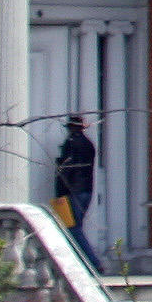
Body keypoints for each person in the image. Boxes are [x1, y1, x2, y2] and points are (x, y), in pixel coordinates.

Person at [52, 114, 101, 272]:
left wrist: (60, 193)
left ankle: (92, 263)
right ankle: (87, 262)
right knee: (75, 227)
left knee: (73, 228)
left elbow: (67, 171)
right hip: (86, 190)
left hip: (73, 191)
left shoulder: (71, 144)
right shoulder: (89, 144)